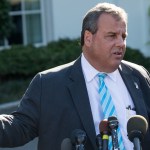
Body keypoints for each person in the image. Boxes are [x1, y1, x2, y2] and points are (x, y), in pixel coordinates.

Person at [0, 2, 150, 150]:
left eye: (123, 36)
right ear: (88, 38)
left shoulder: (138, 75)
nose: (120, 43)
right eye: (112, 36)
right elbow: (19, 126)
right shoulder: (48, 84)